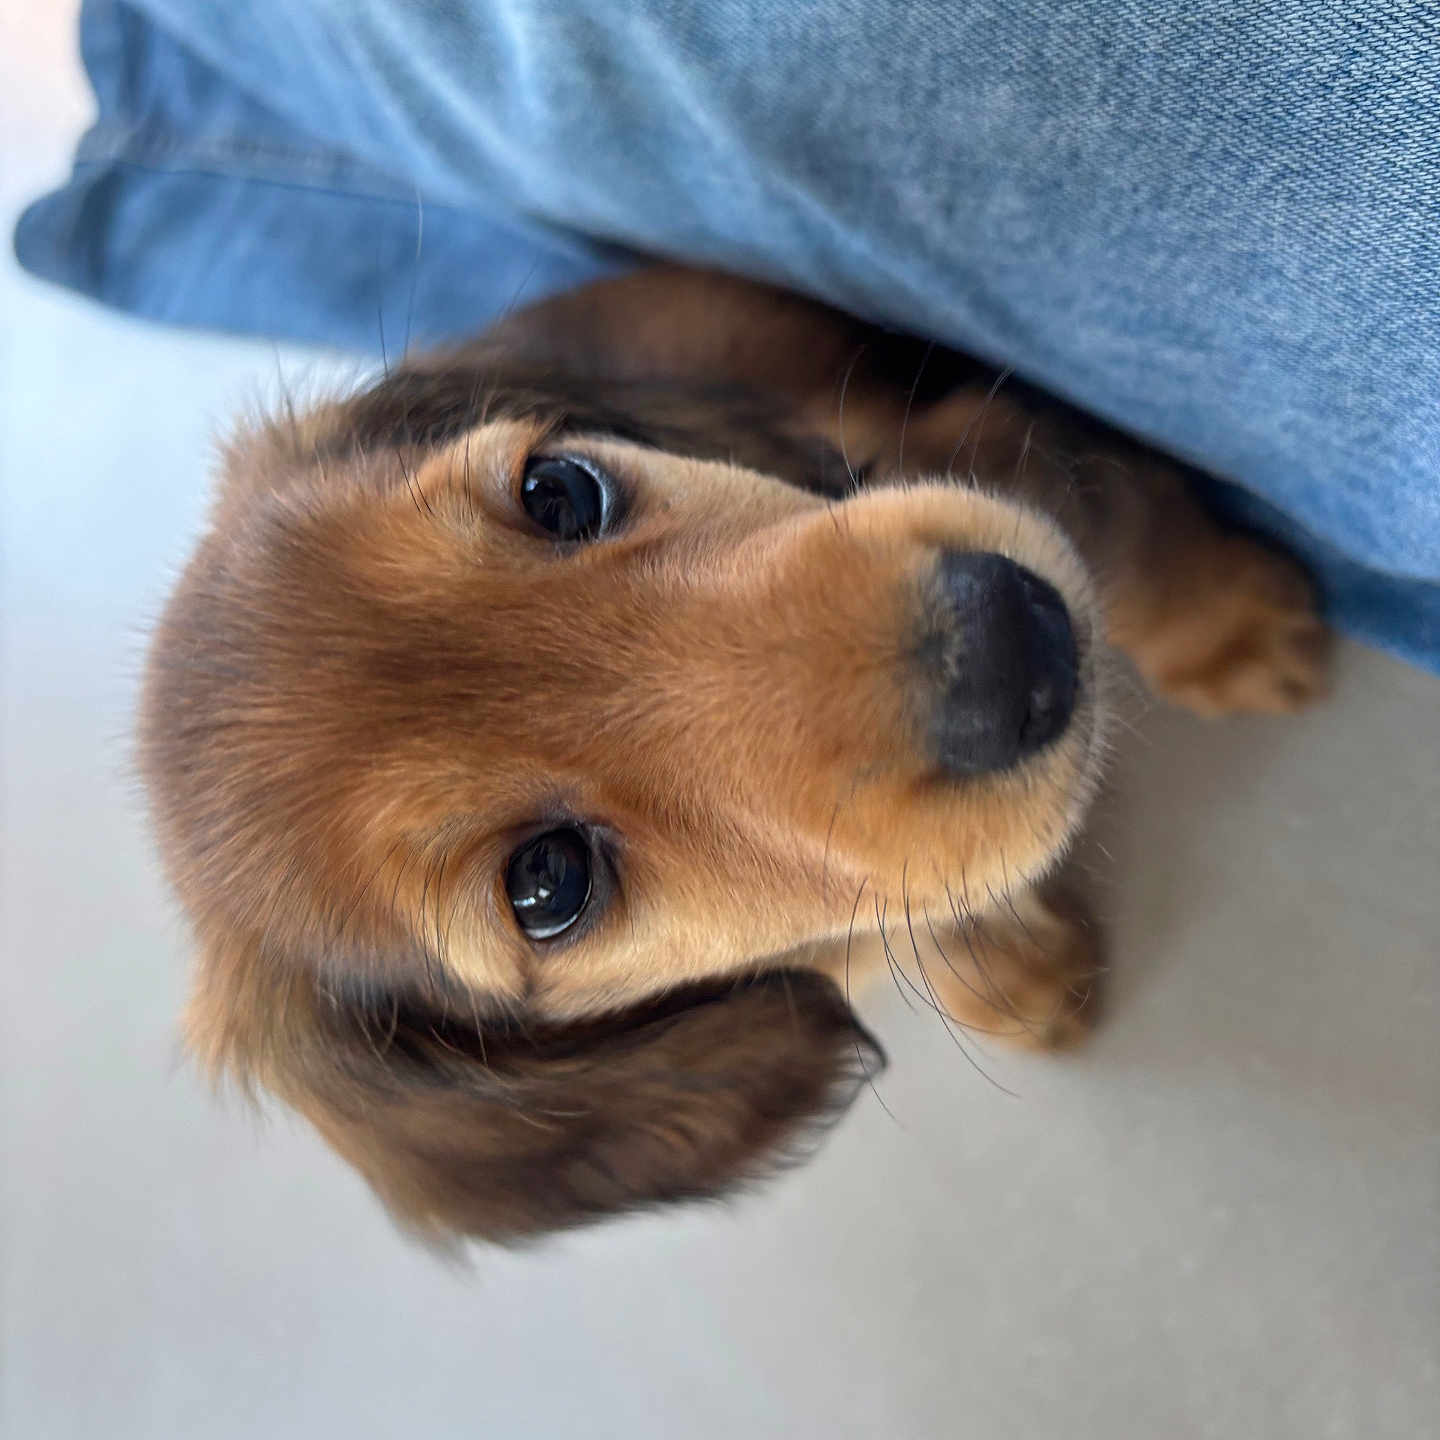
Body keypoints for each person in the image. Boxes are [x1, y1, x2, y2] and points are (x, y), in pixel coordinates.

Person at [18, 0, 1439, 668]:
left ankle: (158, 119)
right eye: (550, 883)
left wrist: (1172, 598)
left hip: (814, 407)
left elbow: (982, 453)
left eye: (561, 502)